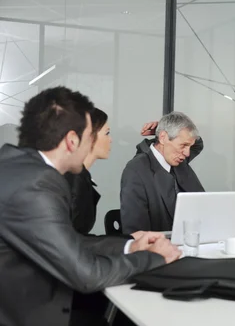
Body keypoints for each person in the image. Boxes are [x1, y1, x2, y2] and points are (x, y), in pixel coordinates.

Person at [0, 86, 181, 326]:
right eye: (89, 138)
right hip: (28, 310)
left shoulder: (22, 168)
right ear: (72, 141)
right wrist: (154, 258)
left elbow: (69, 239)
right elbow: (86, 275)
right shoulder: (36, 185)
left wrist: (129, 245)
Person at [120, 111, 205, 234]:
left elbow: (197, 144)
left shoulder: (178, 156)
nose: (187, 153)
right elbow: (136, 232)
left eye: (189, 147)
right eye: (183, 145)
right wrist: (162, 130)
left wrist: (161, 128)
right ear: (163, 138)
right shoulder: (136, 171)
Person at [65, 107, 111, 234]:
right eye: (107, 133)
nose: (110, 139)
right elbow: (71, 241)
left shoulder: (77, 175)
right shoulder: (74, 180)